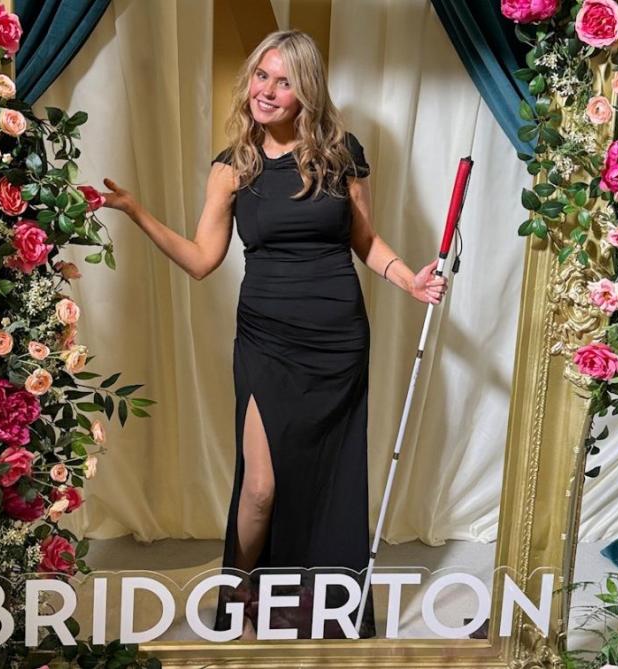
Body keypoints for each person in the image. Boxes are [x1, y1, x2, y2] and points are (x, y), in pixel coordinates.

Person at [96, 30, 445, 639]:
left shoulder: (343, 155)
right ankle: (239, 597)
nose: (267, 90)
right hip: (266, 338)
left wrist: (406, 280)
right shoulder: (233, 168)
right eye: (261, 76)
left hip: (338, 338)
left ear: (305, 90)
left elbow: (364, 240)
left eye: (283, 81)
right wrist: (137, 213)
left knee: (328, 477)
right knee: (259, 488)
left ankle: (314, 606)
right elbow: (203, 260)